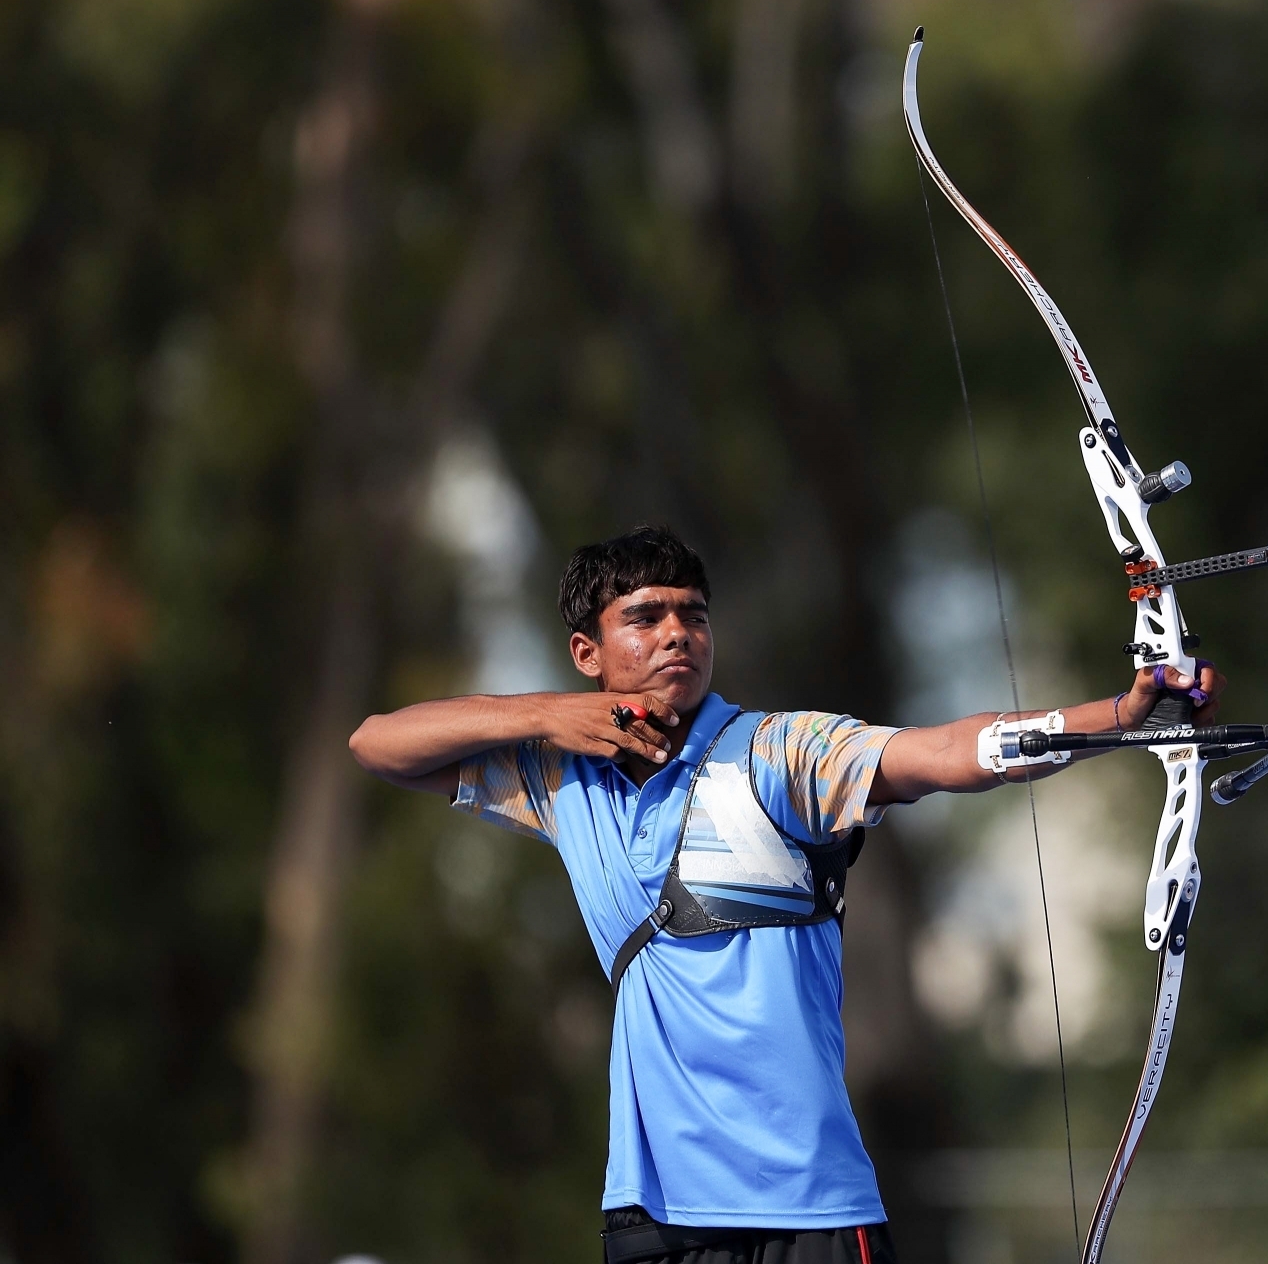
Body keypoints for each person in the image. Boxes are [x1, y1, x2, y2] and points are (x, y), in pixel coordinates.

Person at [348, 524, 1223, 1264]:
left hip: (808, 1207)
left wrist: (1117, 714)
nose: (675, 634)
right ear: (589, 653)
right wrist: (545, 714)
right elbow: (378, 742)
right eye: (643, 618)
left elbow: (943, 752)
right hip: (655, 1209)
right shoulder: (559, 780)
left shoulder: (778, 751)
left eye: (692, 614)